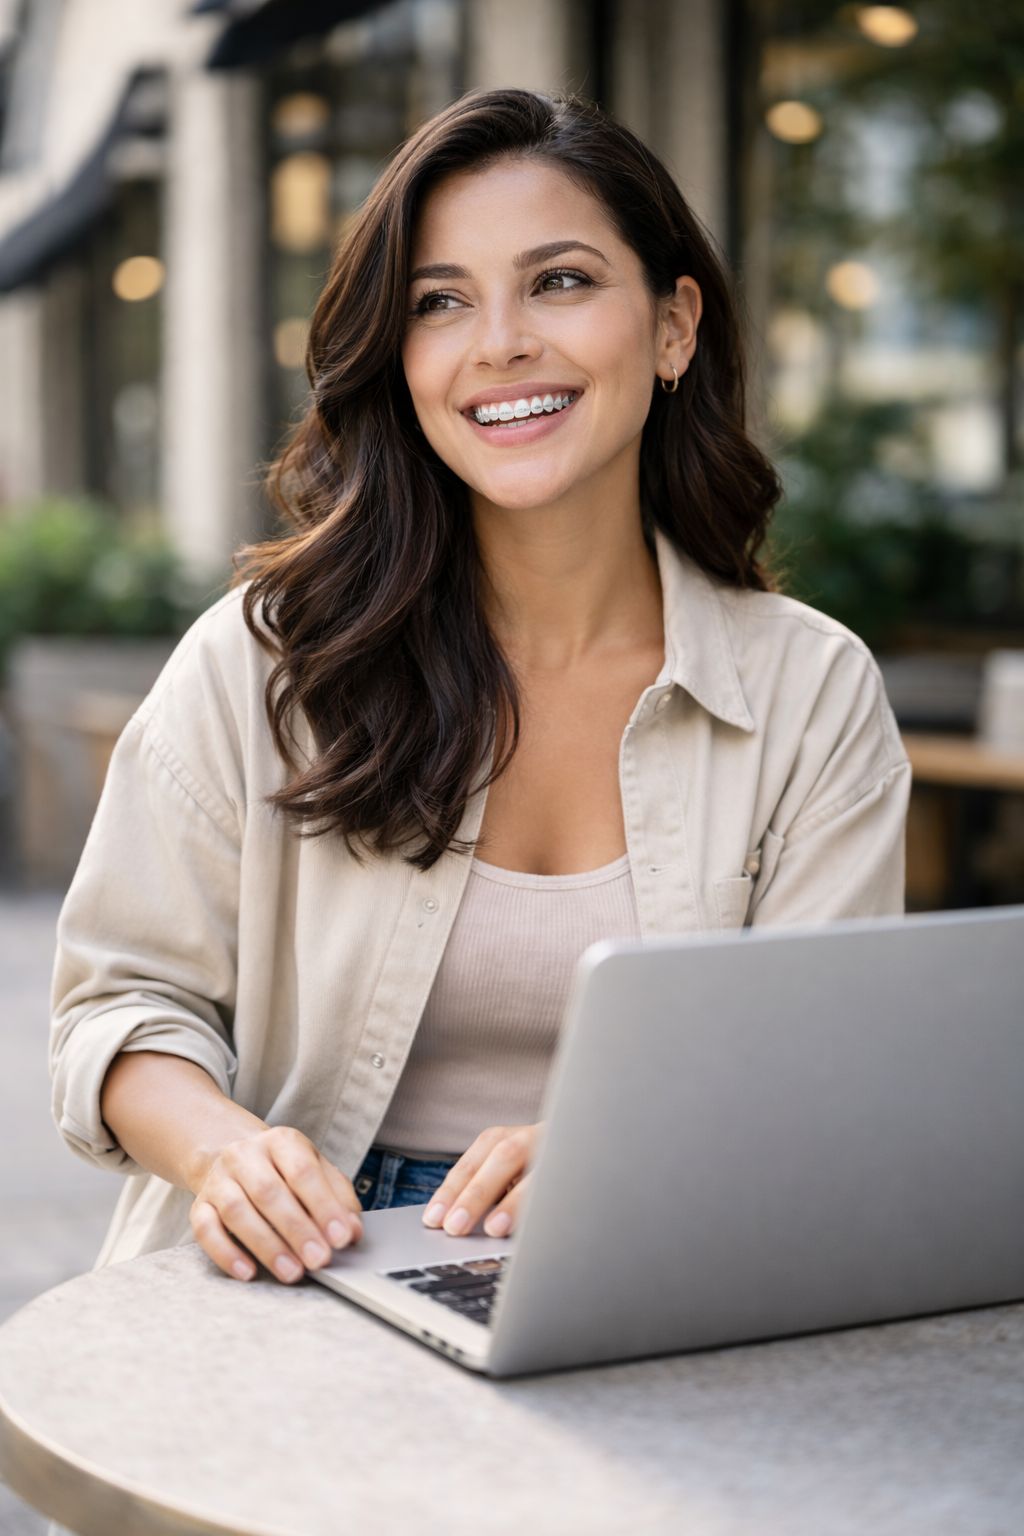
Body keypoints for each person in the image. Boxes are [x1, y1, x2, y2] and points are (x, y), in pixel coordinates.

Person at [50, 88, 910, 1291]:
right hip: (301, 1265)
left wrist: (628, 1153)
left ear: (673, 327)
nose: (499, 342)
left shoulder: (809, 691)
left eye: (559, 281)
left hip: (665, 1252)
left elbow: (824, 1067)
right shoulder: (265, 662)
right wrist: (225, 1153)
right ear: (399, 360)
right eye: (438, 302)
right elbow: (117, 1007)